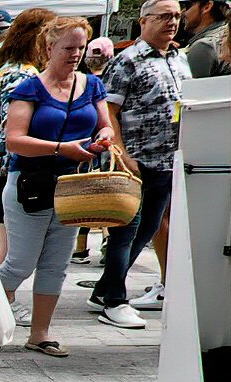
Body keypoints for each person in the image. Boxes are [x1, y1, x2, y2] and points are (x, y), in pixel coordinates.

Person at [0, 17, 114, 358]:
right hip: (30, 184)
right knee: (19, 263)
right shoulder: (29, 88)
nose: (76, 54)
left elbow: (105, 125)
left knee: (55, 264)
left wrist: (103, 139)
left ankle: (40, 333)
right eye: (68, 48)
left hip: (73, 185)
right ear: (49, 48)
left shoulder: (92, 86)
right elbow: (14, 141)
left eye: (81, 47)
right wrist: (60, 148)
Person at [92, 0, 192, 327]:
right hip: (136, 160)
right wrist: (122, 152)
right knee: (126, 229)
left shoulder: (179, 57)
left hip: (168, 159)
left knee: (148, 227)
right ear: (143, 21)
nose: (172, 22)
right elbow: (108, 111)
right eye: (164, 16)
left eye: (176, 16)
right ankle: (114, 300)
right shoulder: (127, 61)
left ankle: (107, 286)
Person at [0, 8, 59, 282]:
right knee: (7, 243)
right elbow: (12, 132)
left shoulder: (9, 68)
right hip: (6, 167)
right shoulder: (22, 76)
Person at [70, 36, 116, 266]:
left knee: (87, 198)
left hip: (94, 152)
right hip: (95, 154)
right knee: (100, 198)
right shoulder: (98, 82)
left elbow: (108, 123)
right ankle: (104, 240)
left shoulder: (91, 84)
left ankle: (81, 248)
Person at [182, 0, 230, 77]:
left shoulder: (203, 46)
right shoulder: (226, 34)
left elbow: (195, 88)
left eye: (187, 6)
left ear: (206, 7)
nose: (183, 12)